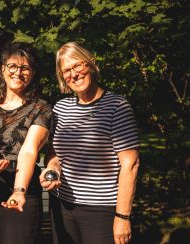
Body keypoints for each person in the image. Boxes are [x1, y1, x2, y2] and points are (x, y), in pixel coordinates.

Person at [40, 42, 140, 244]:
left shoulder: (117, 106)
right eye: (66, 71)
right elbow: (55, 153)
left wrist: (122, 217)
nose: (74, 74)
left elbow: (131, 164)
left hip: (101, 210)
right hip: (62, 205)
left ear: (92, 64)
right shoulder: (61, 108)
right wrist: (52, 169)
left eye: (78, 65)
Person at [0, 42, 52, 244]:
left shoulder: (41, 108)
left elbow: (29, 151)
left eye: (25, 68)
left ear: (32, 73)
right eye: (12, 66)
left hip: (23, 184)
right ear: (2, 68)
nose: (18, 72)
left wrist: (18, 190)